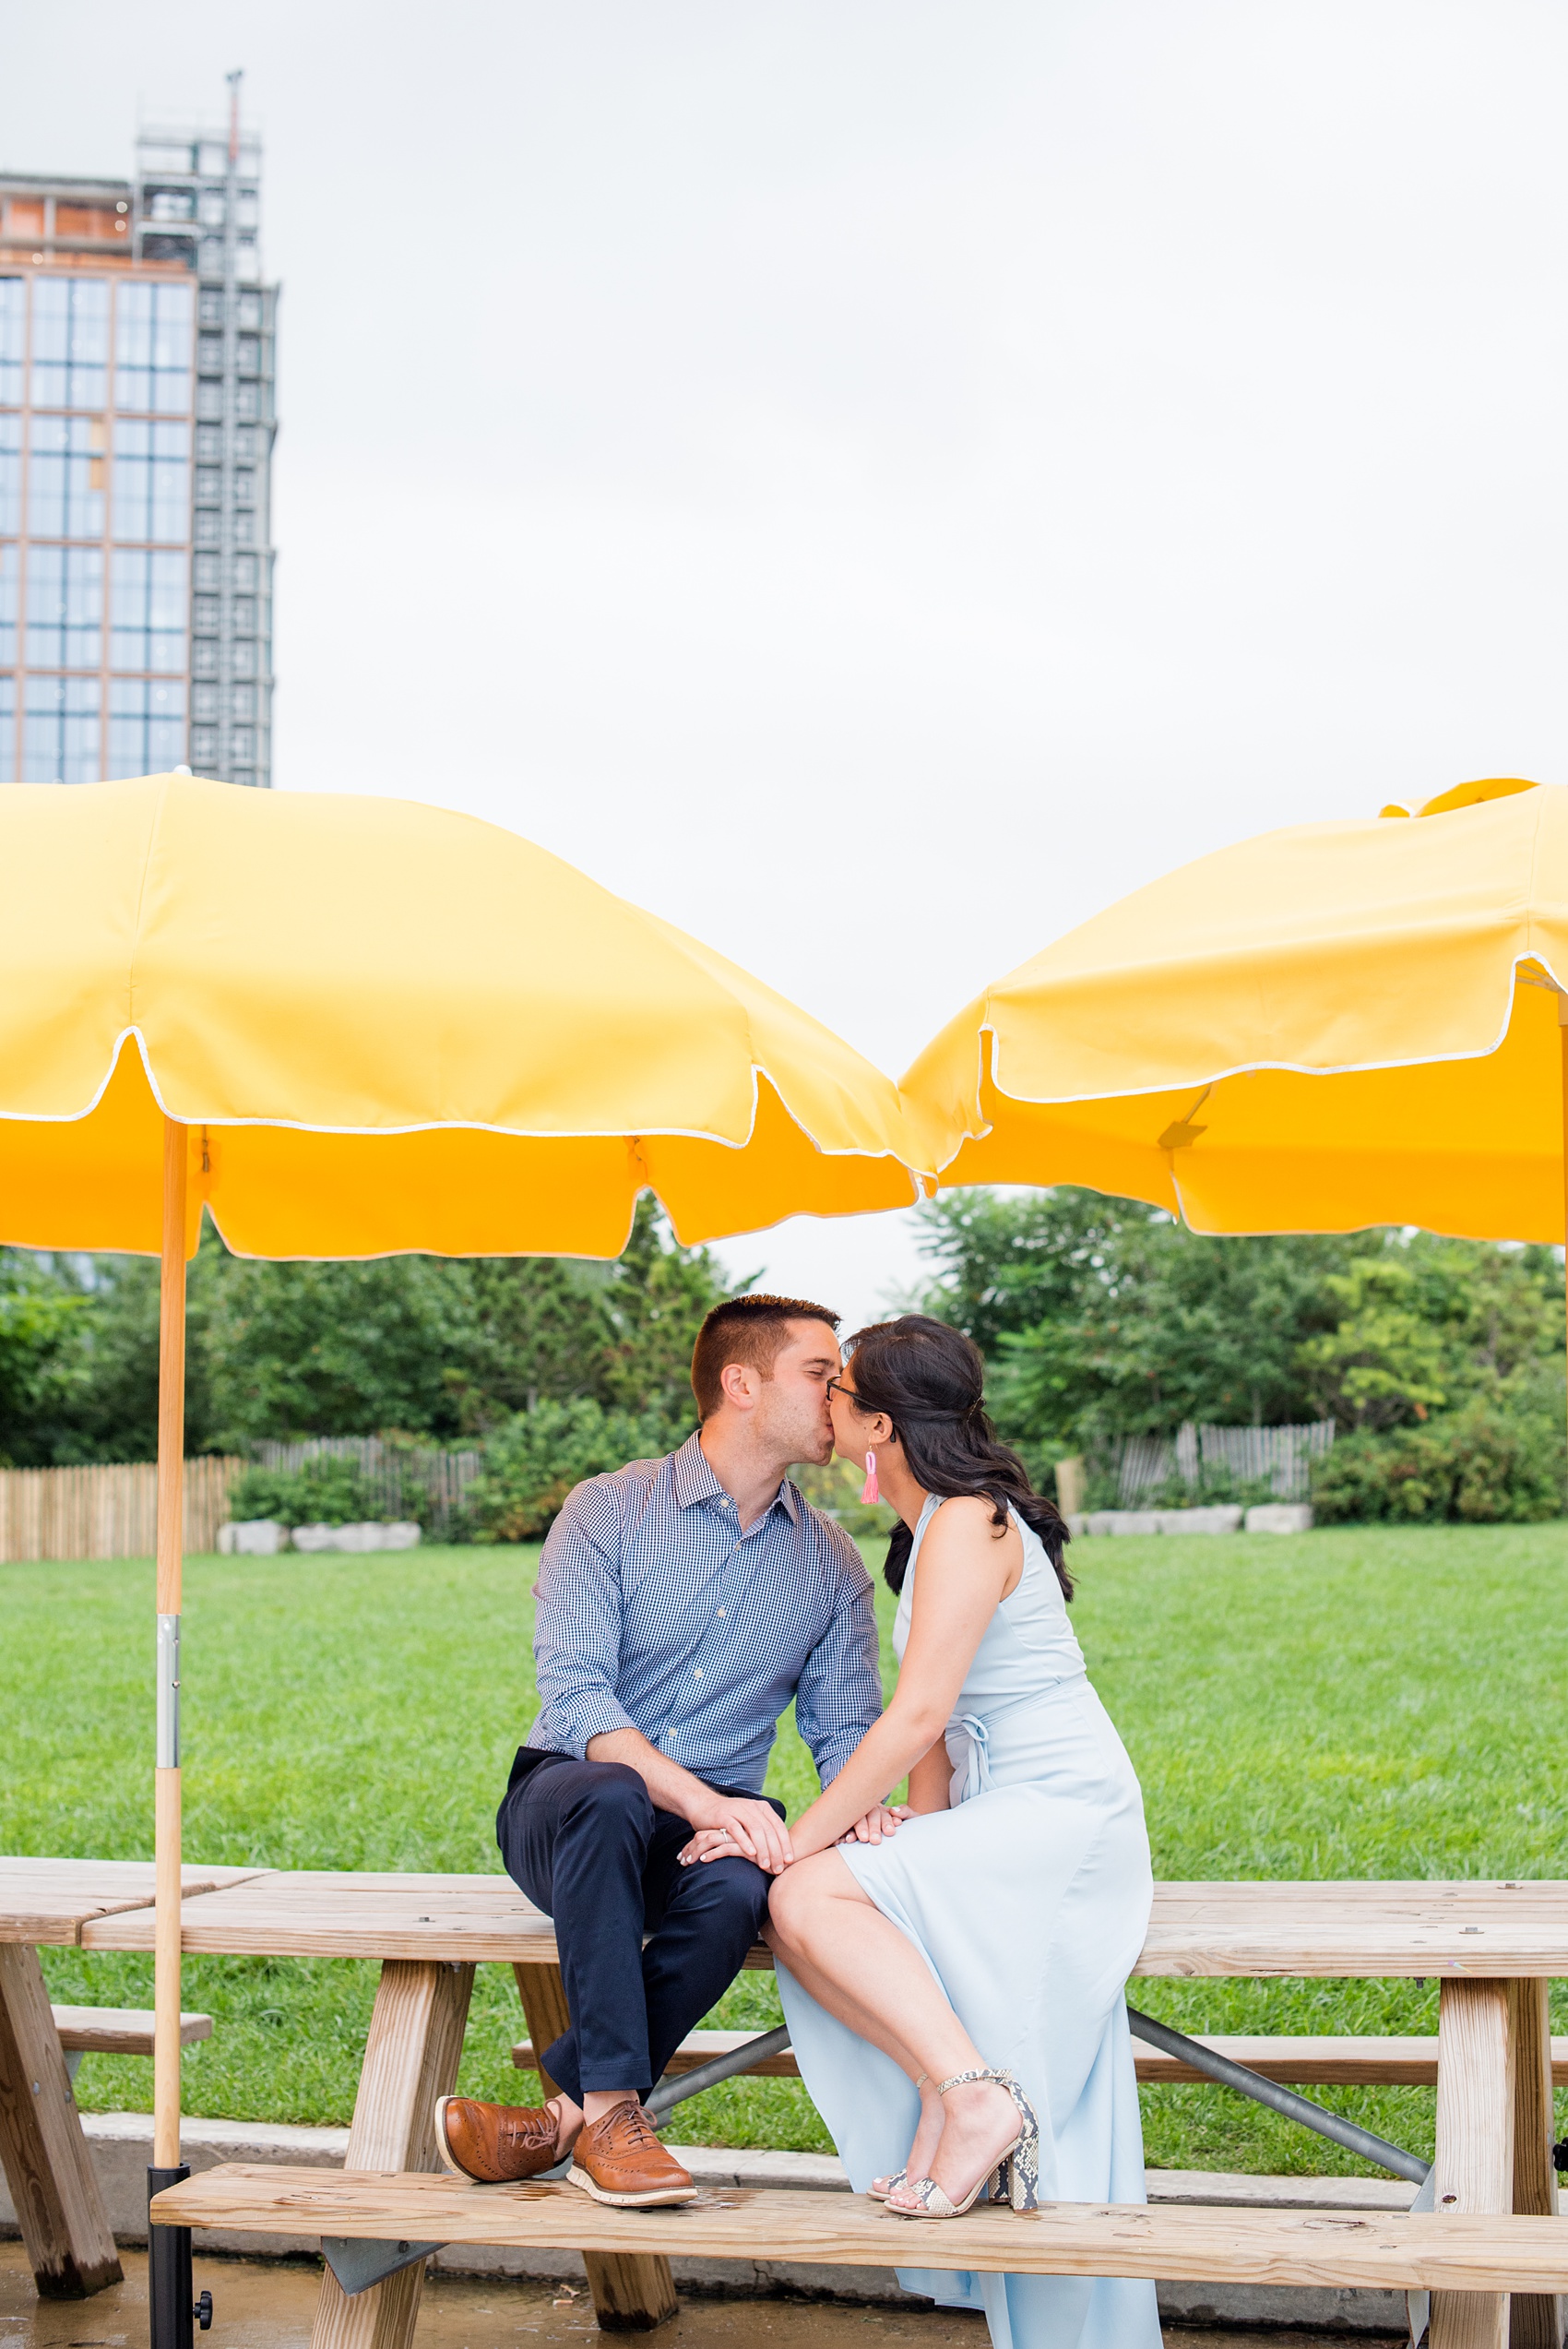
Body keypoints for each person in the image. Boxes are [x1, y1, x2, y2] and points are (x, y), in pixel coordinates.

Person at [697, 1314, 1158, 2349]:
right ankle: (954, 2094)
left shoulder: (967, 1520)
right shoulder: (925, 1530)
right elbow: (937, 1732)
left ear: (877, 1421)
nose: (820, 1397)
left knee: (800, 1889)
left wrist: (791, 1834)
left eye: (837, 1384)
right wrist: (922, 1835)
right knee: (838, 1892)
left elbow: (909, 1714)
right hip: (1001, 1809)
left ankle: (971, 2099)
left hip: (1063, 1808)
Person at [435, 1294, 885, 2210]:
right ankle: (611, 2111)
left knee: (735, 1889)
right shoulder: (607, 1509)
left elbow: (842, 1731)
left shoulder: (832, 1563)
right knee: (608, 1792)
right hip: (567, 1801)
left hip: (701, 1827)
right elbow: (579, 1698)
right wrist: (708, 1802)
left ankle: (558, 2121)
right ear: (740, 1382)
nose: (838, 1393)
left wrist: (857, 1808)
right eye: (817, 1372)